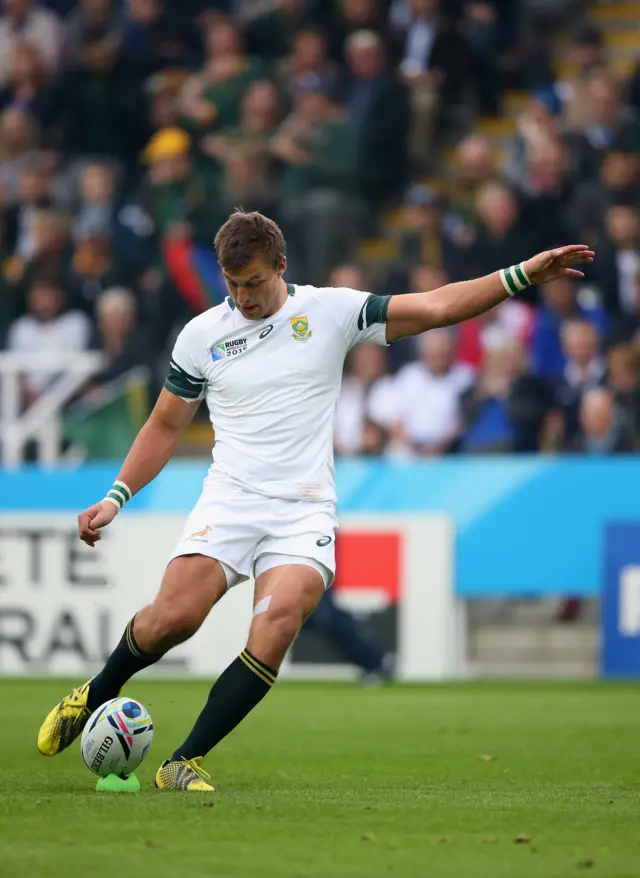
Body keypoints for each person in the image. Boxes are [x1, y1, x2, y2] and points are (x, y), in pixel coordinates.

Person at [37, 209, 593, 791]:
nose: (242, 296)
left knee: (277, 623)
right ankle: (96, 693)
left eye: (252, 282)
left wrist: (523, 275)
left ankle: (183, 761)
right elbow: (164, 426)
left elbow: (434, 307)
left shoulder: (332, 311)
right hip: (229, 501)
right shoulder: (202, 334)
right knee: (171, 620)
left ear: (280, 265)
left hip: (302, 510)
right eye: (231, 284)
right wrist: (116, 497)